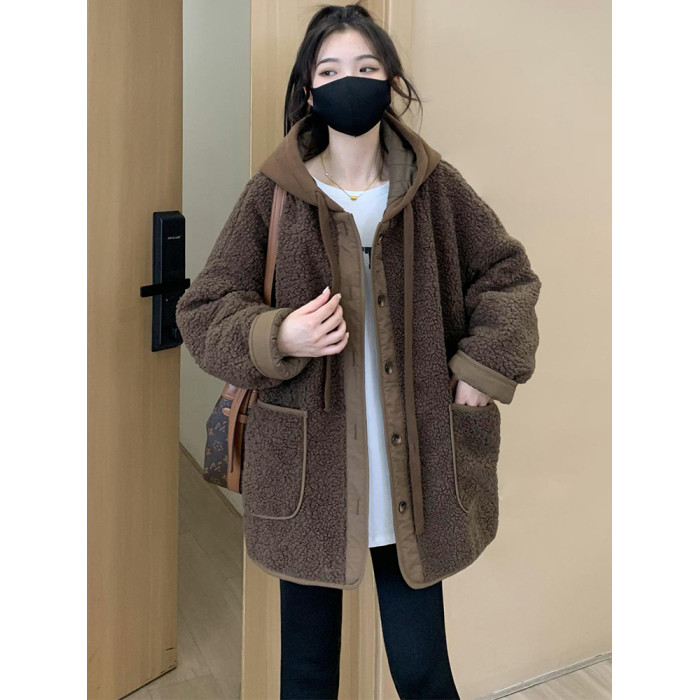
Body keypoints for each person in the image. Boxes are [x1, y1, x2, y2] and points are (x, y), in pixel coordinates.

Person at [176, 4, 542, 698]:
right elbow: (204, 310)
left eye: (367, 67)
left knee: (423, 672)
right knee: (308, 675)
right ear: (309, 90)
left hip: (418, 469)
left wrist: (481, 369)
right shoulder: (274, 195)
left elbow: (508, 276)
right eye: (331, 70)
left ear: (392, 81)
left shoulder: (434, 188)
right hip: (309, 475)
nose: (351, 81)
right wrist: (280, 335)